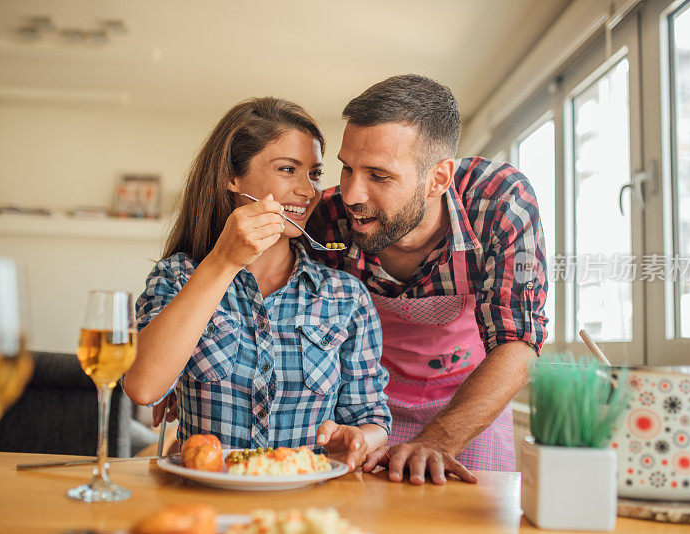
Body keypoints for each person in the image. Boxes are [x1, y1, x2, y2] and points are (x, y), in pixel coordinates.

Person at [123, 97, 391, 471]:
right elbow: (143, 387)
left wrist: (361, 437)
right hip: (204, 500)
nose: (308, 190)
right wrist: (223, 262)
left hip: (303, 509)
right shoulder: (179, 276)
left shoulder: (344, 296)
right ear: (232, 177)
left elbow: (371, 416)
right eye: (287, 169)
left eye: (314, 173)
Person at [311, 74, 548, 484]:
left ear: (439, 179)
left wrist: (436, 442)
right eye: (347, 169)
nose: (350, 194)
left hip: (469, 403)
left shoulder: (499, 202)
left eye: (378, 176)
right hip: (365, 409)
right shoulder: (329, 219)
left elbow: (519, 344)